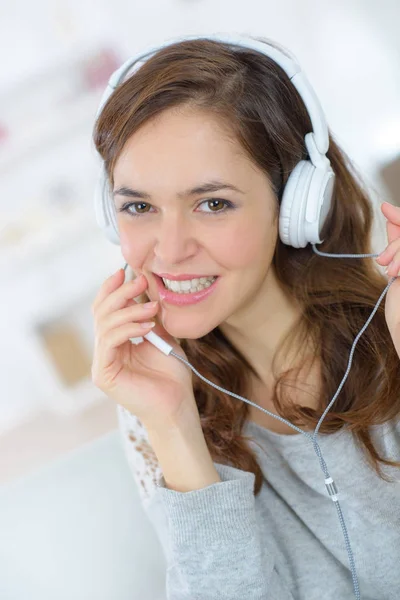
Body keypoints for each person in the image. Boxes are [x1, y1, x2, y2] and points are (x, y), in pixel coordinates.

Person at [91, 36, 400, 599]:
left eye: (212, 203)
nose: (169, 248)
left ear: (295, 205)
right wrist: (173, 426)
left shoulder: (392, 330)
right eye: (139, 206)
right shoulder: (151, 404)